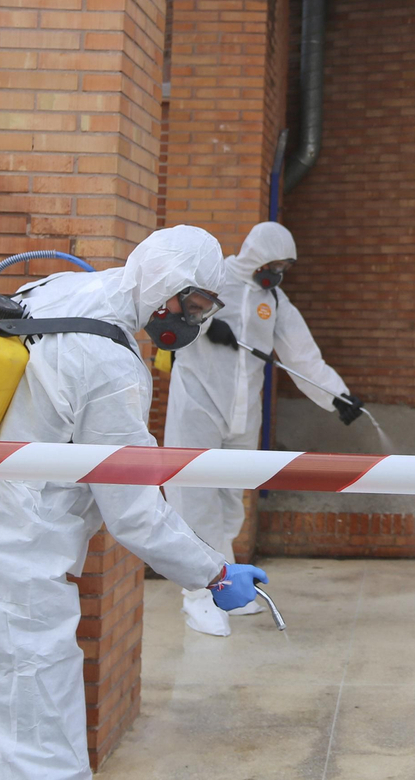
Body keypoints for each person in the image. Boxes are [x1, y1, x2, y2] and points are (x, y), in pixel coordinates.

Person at [0, 225, 267, 780]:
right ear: (168, 285)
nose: (194, 321)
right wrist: (214, 574)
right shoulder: (110, 363)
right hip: (16, 565)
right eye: (195, 303)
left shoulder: (57, 289)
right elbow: (133, 511)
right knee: (41, 749)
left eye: (207, 309)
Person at [165, 221, 360, 635]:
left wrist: (338, 397)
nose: (277, 274)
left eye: (285, 268)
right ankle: (197, 596)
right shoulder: (214, 279)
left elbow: (302, 356)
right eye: (274, 264)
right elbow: (171, 316)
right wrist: (202, 326)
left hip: (242, 413)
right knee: (194, 498)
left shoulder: (275, 300)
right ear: (256, 255)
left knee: (231, 501)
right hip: (198, 404)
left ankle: (227, 587)